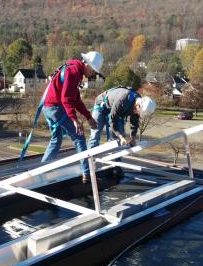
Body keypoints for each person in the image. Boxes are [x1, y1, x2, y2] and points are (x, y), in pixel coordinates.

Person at [42, 51, 103, 183]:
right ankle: (87, 174)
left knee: (56, 139)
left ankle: (43, 170)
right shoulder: (74, 72)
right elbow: (66, 99)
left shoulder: (74, 69)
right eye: (93, 71)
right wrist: (75, 120)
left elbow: (75, 100)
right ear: (88, 65)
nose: (93, 74)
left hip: (49, 107)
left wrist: (89, 117)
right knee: (79, 136)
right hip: (55, 108)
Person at [88, 86, 156, 149]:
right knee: (95, 135)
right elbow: (112, 120)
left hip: (117, 112)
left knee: (119, 141)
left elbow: (134, 121)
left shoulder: (138, 101)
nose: (138, 114)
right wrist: (120, 136)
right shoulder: (123, 98)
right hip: (102, 107)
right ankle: (89, 159)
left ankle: (115, 160)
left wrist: (133, 138)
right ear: (138, 105)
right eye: (138, 112)